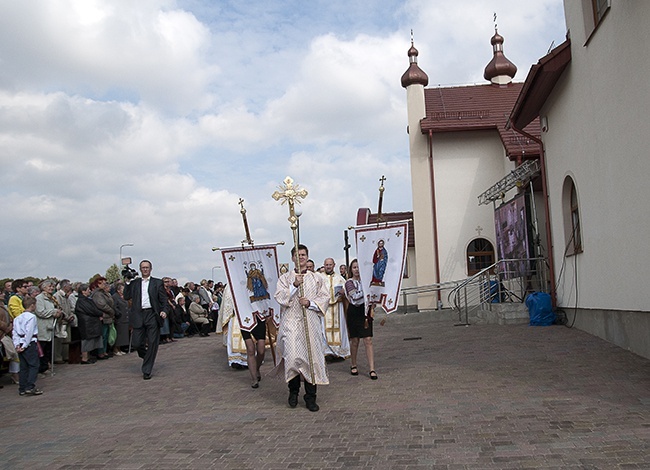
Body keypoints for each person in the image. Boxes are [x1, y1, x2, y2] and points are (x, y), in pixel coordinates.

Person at [273, 244, 330, 412]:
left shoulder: (317, 278)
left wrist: (310, 303)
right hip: (291, 323)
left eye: (304, 254)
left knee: (311, 359)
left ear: (307, 256)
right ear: (292, 258)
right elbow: (280, 297)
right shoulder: (285, 278)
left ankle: (311, 397)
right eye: (297, 255)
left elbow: (325, 297)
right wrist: (294, 286)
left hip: (310, 323)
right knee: (292, 357)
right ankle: (293, 392)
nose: (301, 257)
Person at [123, 259, 170, 380]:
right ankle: (147, 357)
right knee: (137, 343)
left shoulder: (157, 282)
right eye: (143, 267)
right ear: (140, 269)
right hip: (138, 314)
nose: (145, 269)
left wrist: (164, 310)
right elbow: (127, 296)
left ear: (150, 269)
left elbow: (163, 299)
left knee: (153, 342)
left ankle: (147, 370)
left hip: (152, 314)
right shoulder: (135, 283)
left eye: (147, 267)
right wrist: (127, 282)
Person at [345, 259, 377, 380]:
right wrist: (367, 290)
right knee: (355, 340)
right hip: (354, 312)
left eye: (359, 267)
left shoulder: (367, 282)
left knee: (368, 339)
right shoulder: (349, 283)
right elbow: (355, 298)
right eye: (354, 267)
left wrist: (373, 301)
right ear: (351, 269)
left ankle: (372, 368)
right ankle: (353, 364)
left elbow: (373, 297)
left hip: (365, 312)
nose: (357, 270)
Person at [319, 257, 350, 361]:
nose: (328, 266)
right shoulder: (319, 278)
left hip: (338, 307)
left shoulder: (340, 278)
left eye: (330, 264)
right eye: (326, 265)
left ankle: (338, 353)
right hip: (325, 308)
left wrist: (343, 293)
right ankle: (327, 353)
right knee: (324, 329)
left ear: (334, 265)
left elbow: (347, 290)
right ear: (324, 265)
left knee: (339, 329)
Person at [12, 297, 43, 395]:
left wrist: (17, 344)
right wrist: (25, 345)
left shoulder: (18, 318)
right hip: (29, 343)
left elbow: (15, 332)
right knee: (34, 365)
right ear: (32, 305)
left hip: (20, 342)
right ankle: (30, 386)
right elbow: (29, 332)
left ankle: (22, 387)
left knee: (23, 366)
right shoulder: (31, 317)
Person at [35, 279, 63, 374]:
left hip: (50, 326)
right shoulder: (39, 298)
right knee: (42, 348)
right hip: (43, 326)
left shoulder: (51, 298)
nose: (51, 288)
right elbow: (40, 312)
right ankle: (42, 367)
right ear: (43, 287)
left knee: (48, 348)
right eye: (49, 286)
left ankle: (46, 365)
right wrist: (53, 312)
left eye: (52, 286)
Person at [74, 283, 103, 364]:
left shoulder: (86, 299)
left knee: (91, 341)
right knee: (86, 341)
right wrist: (100, 313)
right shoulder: (81, 301)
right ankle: (84, 358)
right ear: (83, 291)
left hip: (91, 323)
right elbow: (91, 310)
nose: (89, 291)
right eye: (88, 290)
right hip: (86, 324)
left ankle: (88, 357)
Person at [90, 276, 115, 360]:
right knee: (103, 335)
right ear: (98, 284)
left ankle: (104, 351)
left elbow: (110, 302)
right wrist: (111, 311)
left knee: (106, 335)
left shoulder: (104, 293)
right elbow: (102, 305)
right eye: (103, 283)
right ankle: (101, 352)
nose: (105, 285)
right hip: (103, 316)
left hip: (108, 316)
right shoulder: (97, 294)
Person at [111, 283, 130, 355]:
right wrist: (118, 313)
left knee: (123, 335)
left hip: (125, 318)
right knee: (119, 334)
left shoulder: (124, 297)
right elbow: (114, 306)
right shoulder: (115, 297)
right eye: (123, 289)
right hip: (119, 318)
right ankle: (116, 349)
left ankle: (120, 348)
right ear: (118, 290)